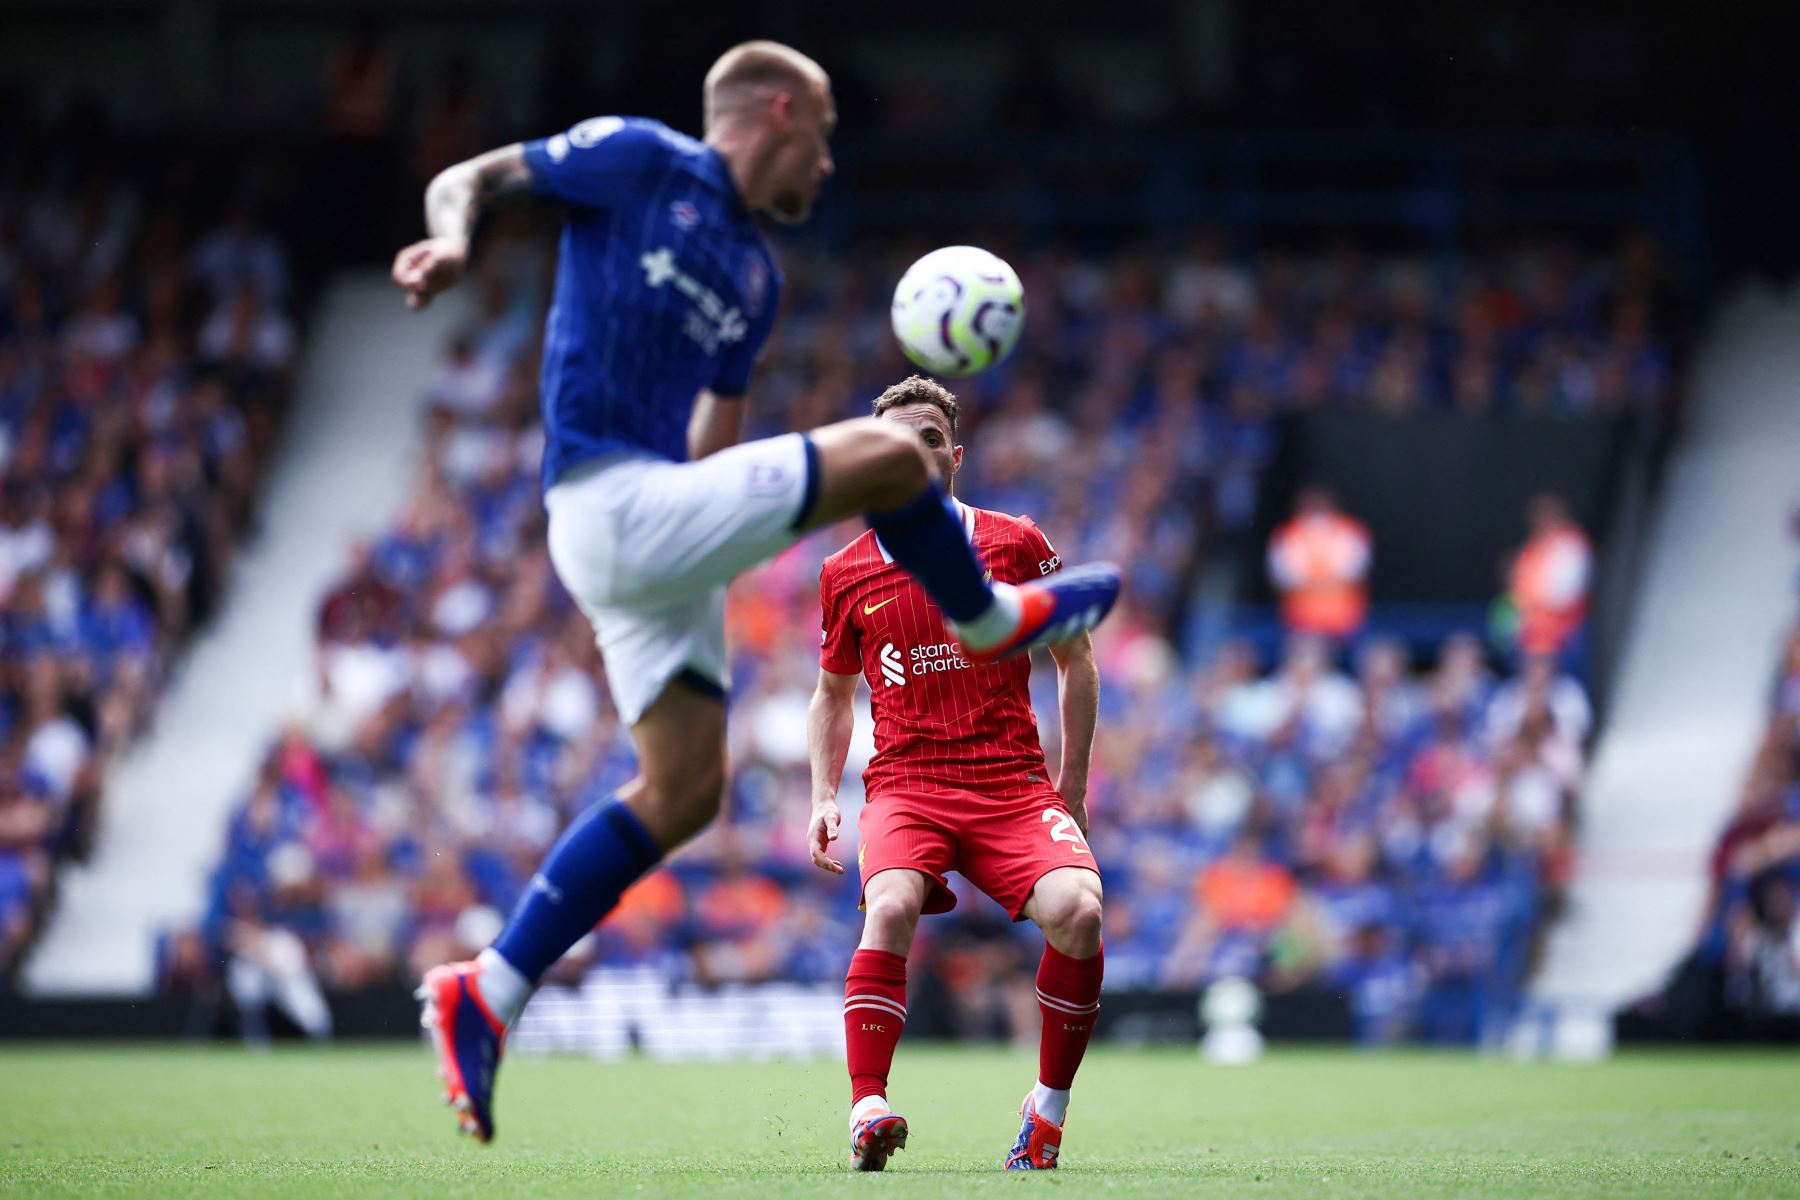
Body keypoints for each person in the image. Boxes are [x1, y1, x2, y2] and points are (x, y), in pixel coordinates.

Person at [390, 41, 1121, 1144]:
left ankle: (486, 990)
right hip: (604, 493)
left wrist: (723, 535)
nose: (827, 166)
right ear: (779, 113)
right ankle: (988, 614)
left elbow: (714, 446)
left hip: (663, 527)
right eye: (823, 137)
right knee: (893, 459)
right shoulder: (640, 160)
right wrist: (451, 238)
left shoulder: (754, 277)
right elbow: (475, 179)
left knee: (683, 792)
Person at [807, 376, 1103, 1171]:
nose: (916, 448)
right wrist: (821, 797)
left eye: (931, 436)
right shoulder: (845, 572)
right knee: (891, 902)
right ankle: (868, 1106)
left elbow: (1076, 660)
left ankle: (1047, 1113)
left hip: (1012, 786)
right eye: (899, 438)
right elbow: (833, 696)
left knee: (1079, 911)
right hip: (908, 787)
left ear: (955, 455)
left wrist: (1068, 789)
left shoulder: (1014, 542)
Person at [1266, 485, 1371, 640]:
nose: (1316, 509)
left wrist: (1314, 583)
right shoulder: (1287, 535)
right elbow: (1283, 581)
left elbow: (1356, 576)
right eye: (1310, 504)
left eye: (1320, 504)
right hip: (1300, 621)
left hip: (1347, 620)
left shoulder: (1350, 531)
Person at [1505, 493, 1592, 660]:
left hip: (1560, 627)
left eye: (1543, 514)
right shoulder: (1536, 544)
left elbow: (1565, 594)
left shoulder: (1570, 542)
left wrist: (1532, 599)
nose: (1537, 520)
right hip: (1527, 623)